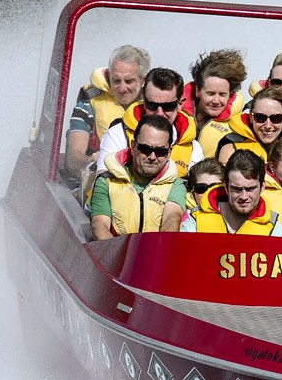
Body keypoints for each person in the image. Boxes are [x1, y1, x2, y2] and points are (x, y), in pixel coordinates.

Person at [88, 114, 188, 238]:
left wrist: (156, 252)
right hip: (115, 252)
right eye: (145, 149)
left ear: (169, 153)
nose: (152, 157)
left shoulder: (176, 185)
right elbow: (99, 226)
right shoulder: (106, 181)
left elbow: (172, 219)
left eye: (160, 151)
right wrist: (122, 256)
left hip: (156, 251)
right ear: (133, 147)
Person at [65, 44, 148, 180]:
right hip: (94, 181)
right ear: (108, 76)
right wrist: (90, 160)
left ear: (142, 80)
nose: (122, 88)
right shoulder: (89, 102)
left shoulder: (155, 105)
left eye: (129, 81)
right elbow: (73, 159)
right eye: (116, 80)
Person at [99, 68, 195, 170]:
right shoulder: (117, 135)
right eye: (152, 105)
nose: (159, 113)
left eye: (168, 106)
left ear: (180, 104)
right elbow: (101, 179)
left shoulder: (192, 147)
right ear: (143, 101)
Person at [183, 151, 282, 236]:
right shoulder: (196, 219)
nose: (243, 197)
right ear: (226, 186)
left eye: (250, 189)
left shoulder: (275, 231)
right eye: (236, 189)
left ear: (262, 186)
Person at [185, 49, 247, 165]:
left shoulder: (237, 127)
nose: (216, 101)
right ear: (198, 91)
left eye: (222, 95)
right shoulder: (172, 111)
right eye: (210, 93)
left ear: (230, 95)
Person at [216, 85, 282, 163]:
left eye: (276, 118)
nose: (268, 126)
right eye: (260, 118)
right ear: (251, 117)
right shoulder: (230, 150)